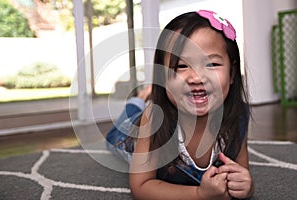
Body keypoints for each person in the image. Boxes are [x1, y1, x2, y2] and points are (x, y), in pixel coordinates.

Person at [106, 10, 254, 200]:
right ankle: (138, 100)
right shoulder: (153, 119)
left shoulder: (238, 116)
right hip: (135, 133)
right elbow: (141, 187)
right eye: (181, 66)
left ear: (232, 73)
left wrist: (245, 186)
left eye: (211, 64)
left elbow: (241, 173)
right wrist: (200, 194)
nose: (196, 77)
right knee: (120, 129)